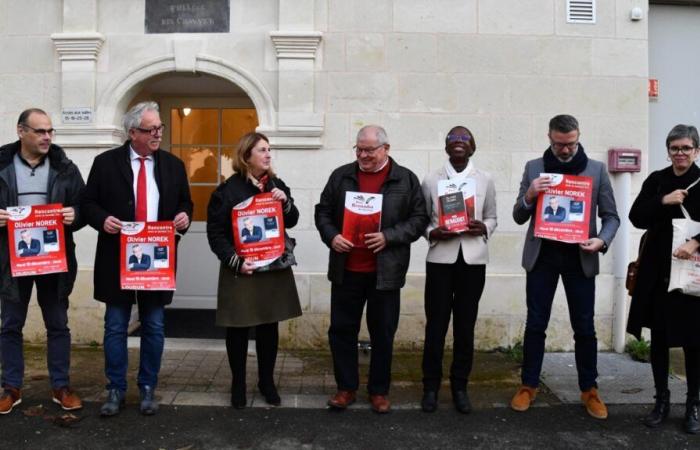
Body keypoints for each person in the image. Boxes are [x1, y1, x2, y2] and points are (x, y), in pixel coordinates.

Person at [82, 101, 192, 417]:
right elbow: (88, 203)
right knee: (116, 326)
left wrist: (183, 218)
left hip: (155, 260)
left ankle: (147, 387)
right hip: (116, 259)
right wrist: (102, 219)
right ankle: (115, 388)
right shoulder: (105, 163)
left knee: (154, 325)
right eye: (151, 129)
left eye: (160, 128)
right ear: (133, 133)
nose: (158, 133)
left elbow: (185, 202)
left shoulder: (172, 165)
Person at [511, 114, 619, 419]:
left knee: (584, 326)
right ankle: (528, 385)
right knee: (535, 323)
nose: (565, 150)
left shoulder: (596, 170)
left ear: (578, 136)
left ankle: (590, 390)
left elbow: (611, 217)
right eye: (559, 144)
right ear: (549, 137)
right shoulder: (534, 168)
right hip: (542, 257)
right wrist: (531, 194)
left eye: (570, 143)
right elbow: (519, 215)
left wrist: (602, 241)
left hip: (579, 258)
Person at [315, 125, 429, 413]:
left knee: (383, 333)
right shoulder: (341, 176)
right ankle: (346, 388)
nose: (363, 155)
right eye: (359, 149)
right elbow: (323, 211)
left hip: (385, 273)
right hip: (347, 269)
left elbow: (419, 219)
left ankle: (379, 391)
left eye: (369, 150)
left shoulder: (405, 179)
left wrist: (389, 236)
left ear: (386, 149)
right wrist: (332, 236)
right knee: (342, 330)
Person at [207, 132, 301, 409]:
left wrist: (285, 202)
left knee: (268, 327)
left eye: (269, 149)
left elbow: (292, 221)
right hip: (242, 268)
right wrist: (235, 260)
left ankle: (266, 382)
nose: (268, 154)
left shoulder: (276, 185)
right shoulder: (227, 191)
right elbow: (216, 233)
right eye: (262, 150)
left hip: (272, 267)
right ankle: (238, 383)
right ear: (247, 156)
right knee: (237, 329)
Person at [0, 108, 85, 414]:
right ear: (21, 131)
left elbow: (83, 205)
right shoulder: (1, 165)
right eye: (40, 131)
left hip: (54, 259)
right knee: (10, 325)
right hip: (12, 261)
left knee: (58, 325)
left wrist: (76, 215)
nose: (47, 137)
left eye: (50, 131)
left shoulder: (65, 168)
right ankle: (11, 388)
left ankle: (60, 386)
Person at [627, 124, 700, 434]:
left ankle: (692, 406)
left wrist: (696, 241)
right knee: (659, 339)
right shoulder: (657, 180)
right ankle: (661, 401)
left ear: (696, 150)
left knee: (694, 343)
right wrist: (663, 201)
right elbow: (636, 216)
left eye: (685, 148)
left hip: (694, 275)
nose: (680, 153)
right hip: (658, 271)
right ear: (668, 151)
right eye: (674, 148)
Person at [419, 126, 497, 413]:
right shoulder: (431, 179)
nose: (459, 142)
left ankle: (460, 387)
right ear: (446, 146)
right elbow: (423, 219)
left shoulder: (485, 179)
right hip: (440, 259)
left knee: (465, 326)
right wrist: (432, 232)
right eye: (453, 139)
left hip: (473, 260)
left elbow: (492, 216)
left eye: (464, 139)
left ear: (473, 146)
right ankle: (430, 387)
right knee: (436, 326)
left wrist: (484, 227)